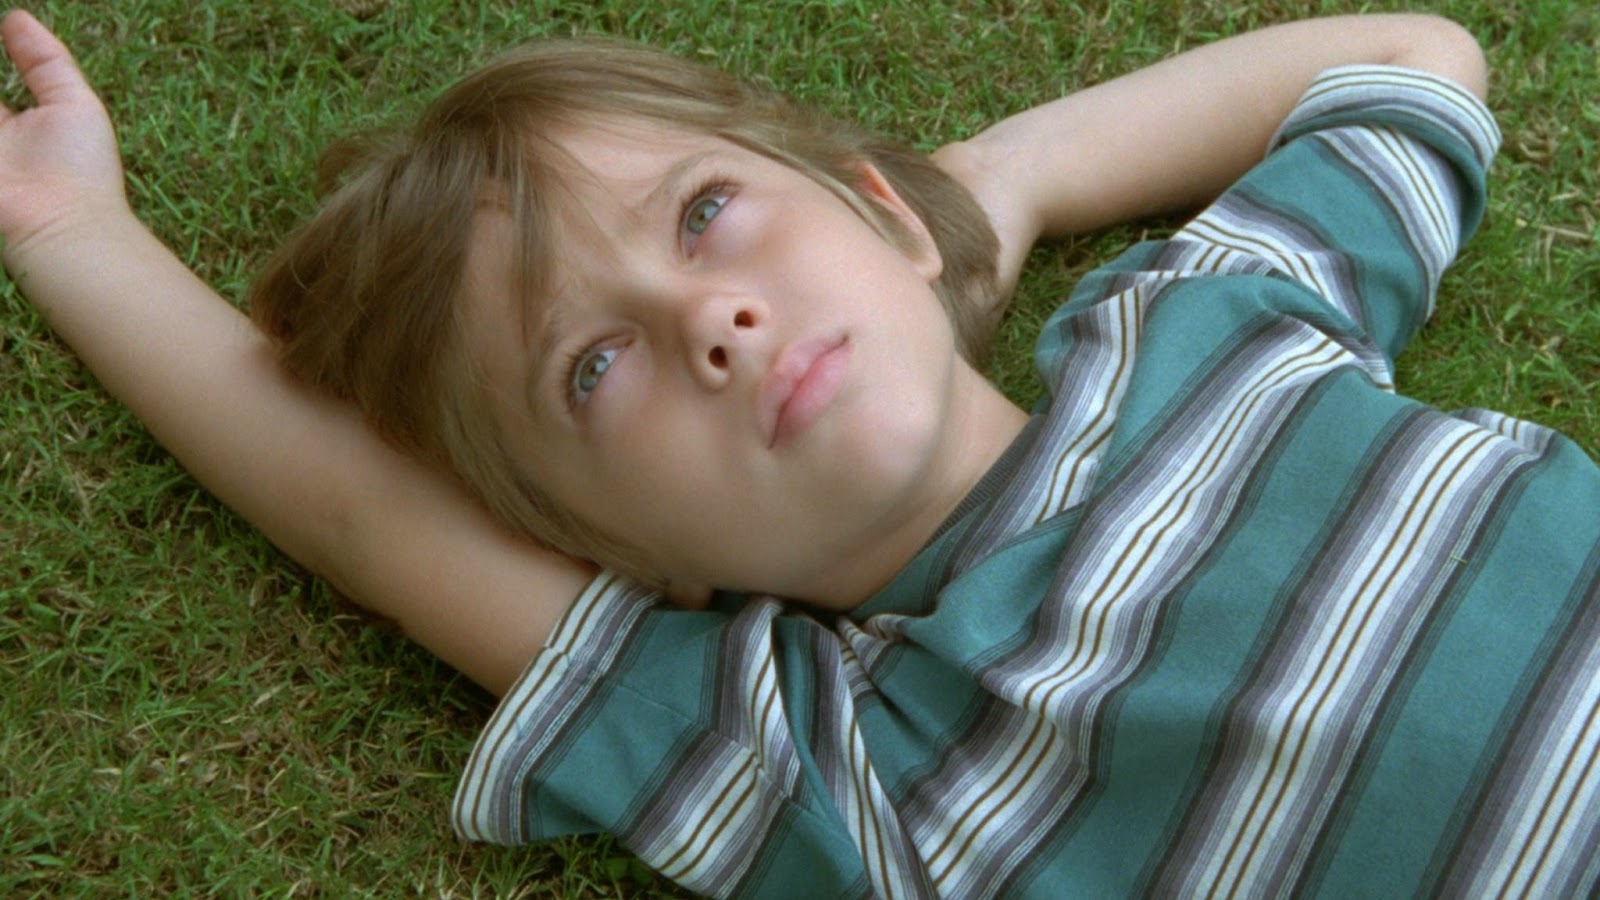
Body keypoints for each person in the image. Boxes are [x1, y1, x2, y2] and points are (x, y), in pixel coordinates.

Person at [3, 7, 1596, 898]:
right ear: (610, 553)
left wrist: (989, 189)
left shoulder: (1194, 327)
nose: (711, 317)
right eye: (593, 367)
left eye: (705, 213)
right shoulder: (829, 749)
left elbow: (1414, 63)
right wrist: (70, 231)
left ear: (879, 211)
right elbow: (359, 517)